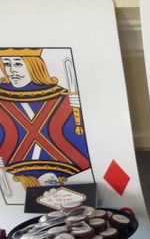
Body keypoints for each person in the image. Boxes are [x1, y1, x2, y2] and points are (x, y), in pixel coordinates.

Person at [0, 49, 91, 193]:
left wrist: (83, 106)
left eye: (17, 64)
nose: (11, 71)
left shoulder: (64, 97)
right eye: (6, 64)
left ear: (34, 65)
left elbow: (80, 136)